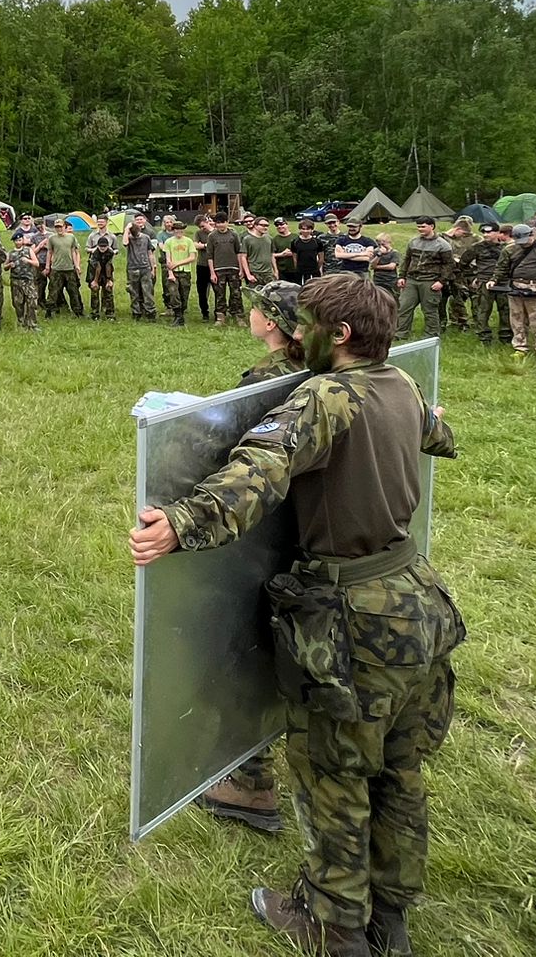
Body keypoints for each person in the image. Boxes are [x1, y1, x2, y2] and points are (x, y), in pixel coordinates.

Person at [131, 274, 463, 957]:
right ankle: (390, 914)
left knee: (333, 767)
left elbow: (259, 469)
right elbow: (440, 434)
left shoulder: (327, 395)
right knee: (398, 766)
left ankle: (332, 922)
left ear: (337, 336)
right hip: (416, 597)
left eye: (306, 323)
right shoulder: (396, 384)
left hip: (354, 615)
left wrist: (181, 524)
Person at [195, 277, 311, 835]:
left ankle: (249, 780)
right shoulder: (330, 373)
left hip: (258, 527)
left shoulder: (268, 380)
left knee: (245, 642)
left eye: (257, 311)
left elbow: (231, 453)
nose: (250, 316)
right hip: (310, 529)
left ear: (272, 323)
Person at [497, 224, 536, 365]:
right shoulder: (510, 249)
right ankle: (520, 347)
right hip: (515, 287)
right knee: (517, 320)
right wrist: (494, 280)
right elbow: (502, 267)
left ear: (532, 235)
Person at [394, 218, 452, 339]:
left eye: (423, 226)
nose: (420, 229)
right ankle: (400, 334)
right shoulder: (413, 242)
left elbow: (449, 265)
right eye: (419, 227)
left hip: (430, 281)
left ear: (432, 226)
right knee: (404, 307)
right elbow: (407, 260)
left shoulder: (443, 245)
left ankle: (431, 335)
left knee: (430, 309)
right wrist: (402, 276)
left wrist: (441, 281)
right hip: (412, 279)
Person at [44, 217, 87, 319]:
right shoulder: (52, 238)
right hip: (56, 269)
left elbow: (74, 251)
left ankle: (78, 312)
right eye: (56, 227)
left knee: (74, 291)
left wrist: (77, 266)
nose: (59, 229)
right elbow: (49, 252)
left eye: (60, 227)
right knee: (53, 292)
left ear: (64, 227)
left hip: (69, 269)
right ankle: (49, 312)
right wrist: (47, 267)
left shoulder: (71, 237)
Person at [161, 220, 197, 327]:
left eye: (181, 230)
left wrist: (177, 263)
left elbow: (192, 257)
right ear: (173, 231)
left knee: (184, 295)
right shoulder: (169, 242)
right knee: (173, 294)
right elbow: (168, 259)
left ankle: (181, 314)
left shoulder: (188, 241)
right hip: (173, 273)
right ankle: (177, 316)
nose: (179, 232)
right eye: (177, 230)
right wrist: (170, 272)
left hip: (185, 272)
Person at [125, 213, 160, 322]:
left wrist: (153, 267)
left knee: (147, 292)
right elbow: (124, 242)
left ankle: (150, 312)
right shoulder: (129, 239)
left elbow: (150, 253)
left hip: (145, 268)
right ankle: (136, 312)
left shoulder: (146, 237)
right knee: (134, 292)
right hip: (132, 268)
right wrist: (127, 229)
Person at [9, 231, 43, 330]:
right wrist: (9, 265)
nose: (18, 242)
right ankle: (21, 323)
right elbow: (5, 266)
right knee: (18, 303)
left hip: (28, 280)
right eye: (16, 241)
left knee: (32, 302)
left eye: (20, 240)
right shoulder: (11, 253)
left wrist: (28, 260)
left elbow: (36, 263)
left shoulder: (28, 251)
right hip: (16, 281)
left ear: (23, 240)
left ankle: (32, 324)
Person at [86, 224, 118, 320]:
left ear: (108, 246)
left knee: (108, 290)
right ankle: (95, 314)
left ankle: (110, 314)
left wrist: (109, 280)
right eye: (101, 246)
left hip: (106, 272)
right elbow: (98, 267)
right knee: (94, 291)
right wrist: (95, 281)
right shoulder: (95, 254)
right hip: (93, 272)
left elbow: (108, 265)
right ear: (97, 246)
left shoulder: (110, 252)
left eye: (104, 246)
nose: (102, 248)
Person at [288, 219, 328, 286]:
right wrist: (297, 268)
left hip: (314, 270)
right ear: (300, 229)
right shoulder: (295, 242)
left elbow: (321, 258)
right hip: (300, 271)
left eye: (308, 229)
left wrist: (317, 268)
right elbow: (294, 258)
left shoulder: (317, 242)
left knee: (314, 288)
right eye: (303, 229)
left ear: (312, 230)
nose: (305, 231)